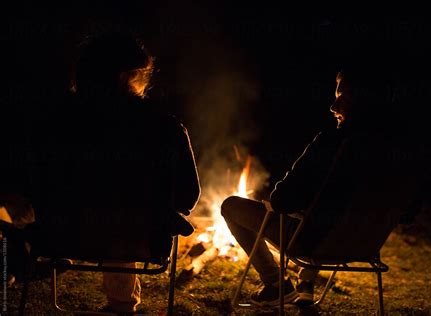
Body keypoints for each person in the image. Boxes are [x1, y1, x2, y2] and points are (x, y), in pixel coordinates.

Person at [25, 31, 200, 314]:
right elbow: (187, 196)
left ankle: (120, 302)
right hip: (140, 242)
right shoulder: (163, 127)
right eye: (142, 75)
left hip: (61, 236)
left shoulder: (52, 124)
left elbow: (33, 184)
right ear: (127, 75)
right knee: (124, 218)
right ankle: (121, 304)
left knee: (109, 209)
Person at [221, 62, 399, 306]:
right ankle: (304, 282)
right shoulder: (396, 154)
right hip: (366, 244)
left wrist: (290, 205)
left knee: (231, 205)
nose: (333, 106)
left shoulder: (330, 143)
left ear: (364, 101)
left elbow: (282, 201)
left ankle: (275, 284)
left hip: (313, 242)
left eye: (342, 96)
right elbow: (408, 211)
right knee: (318, 218)